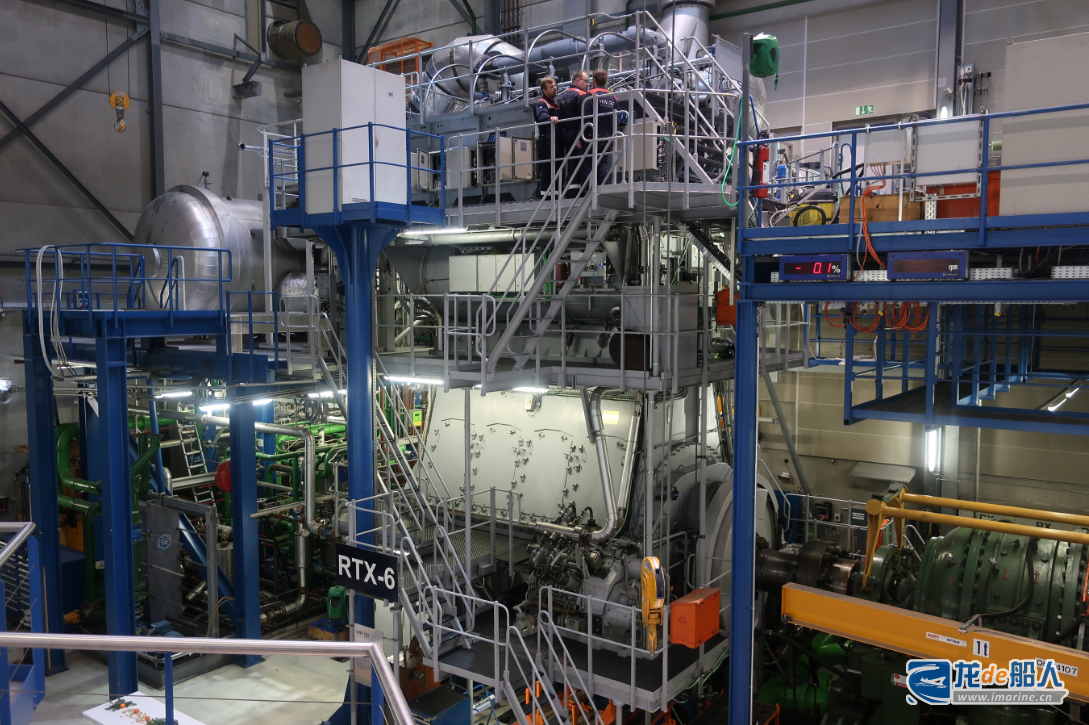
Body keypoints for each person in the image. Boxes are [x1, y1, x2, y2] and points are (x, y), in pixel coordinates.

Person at [581, 68, 625, 185]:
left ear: (594, 80)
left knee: (587, 163)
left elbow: (586, 118)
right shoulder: (613, 97)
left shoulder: (591, 95)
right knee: (602, 164)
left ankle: (587, 190)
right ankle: (603, 188)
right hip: (607, 136)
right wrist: (612, 141)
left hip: (591, 135)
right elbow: (615, 120)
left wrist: (582, 137)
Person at [556, 70, 590, 194]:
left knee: (571, 163)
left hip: (567, 135)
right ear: (578, 81)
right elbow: (585, 117)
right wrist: (580, 136)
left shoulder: (564, 97)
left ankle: (571, 191)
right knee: (582, 163)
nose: (588, 84)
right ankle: (581, 191)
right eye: (586, 81)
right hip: (579, 135)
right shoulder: (582, 95)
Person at [533, 77, 560, 197]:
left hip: (557, 142)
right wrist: (550, 118)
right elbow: (542, 116)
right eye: (551, 87)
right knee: (548, 169)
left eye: (555, 86)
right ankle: (545, 196)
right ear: (544, 90)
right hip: (547, 143)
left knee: (558, 168)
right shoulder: (541, 103)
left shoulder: (555, 104)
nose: (555, 88)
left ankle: (557, 194)